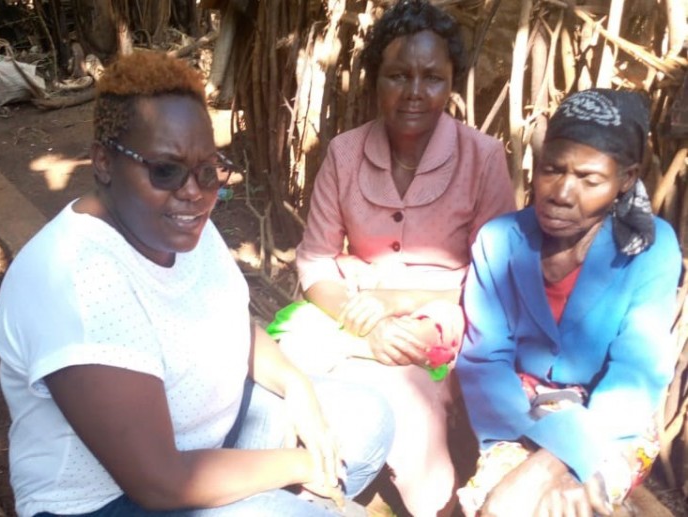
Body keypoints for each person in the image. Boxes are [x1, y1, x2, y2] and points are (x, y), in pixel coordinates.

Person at [0, 51, 394, 517]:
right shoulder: (77, 282)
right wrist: (302, 463)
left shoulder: (178, 226)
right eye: (166, 169)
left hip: (211, 439)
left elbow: (233, 322)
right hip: (111, 500)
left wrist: (296, 385)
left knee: (366, 419)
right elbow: (161, 483)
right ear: (103, 161)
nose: (194, 191)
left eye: (208, 170)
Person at [270, 1, 515, 514]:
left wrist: (396, 301)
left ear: (452, 83)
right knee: (281, 369)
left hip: (448, 308)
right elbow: (315, 261)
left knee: (404, 386)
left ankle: (438, 503)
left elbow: (495, 278)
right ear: (375, 80)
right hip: (352, 308)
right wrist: (364, 319)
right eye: (398, 75)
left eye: (432, 77)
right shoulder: (344, 152)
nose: (414, 92)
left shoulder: (483, 158)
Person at [456, 88, 682, 517]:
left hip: (611, 424)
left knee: (564, 505)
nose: (561, 192)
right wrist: (526, 449)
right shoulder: (499, 241)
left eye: (590, 179)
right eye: (551, 170)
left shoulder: (651, 250)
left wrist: (548, 466)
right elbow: (485, 361)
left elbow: (637, 374)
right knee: (495, 509)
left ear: (626, 179)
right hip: (515, 415)